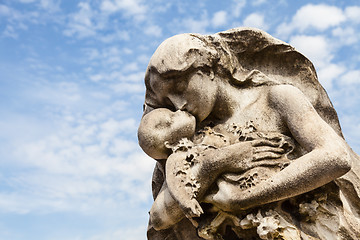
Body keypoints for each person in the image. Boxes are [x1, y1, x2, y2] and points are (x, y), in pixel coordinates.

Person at [140, 28, 360, 239]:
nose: (179, 105)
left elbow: (335, 156)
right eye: (168, 101)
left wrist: (245, 198)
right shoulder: (192, 138)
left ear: (206, 69)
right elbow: (160, 218)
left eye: (179, 89)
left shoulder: (275, 99)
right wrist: (213, 165)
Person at [138, 108, 291, 228]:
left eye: (173, 112)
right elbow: (175, 180)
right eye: (172, 119)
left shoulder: (205, 133)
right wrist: (186, 200)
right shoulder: (178, 156)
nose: (179, 111)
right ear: (170, 144)